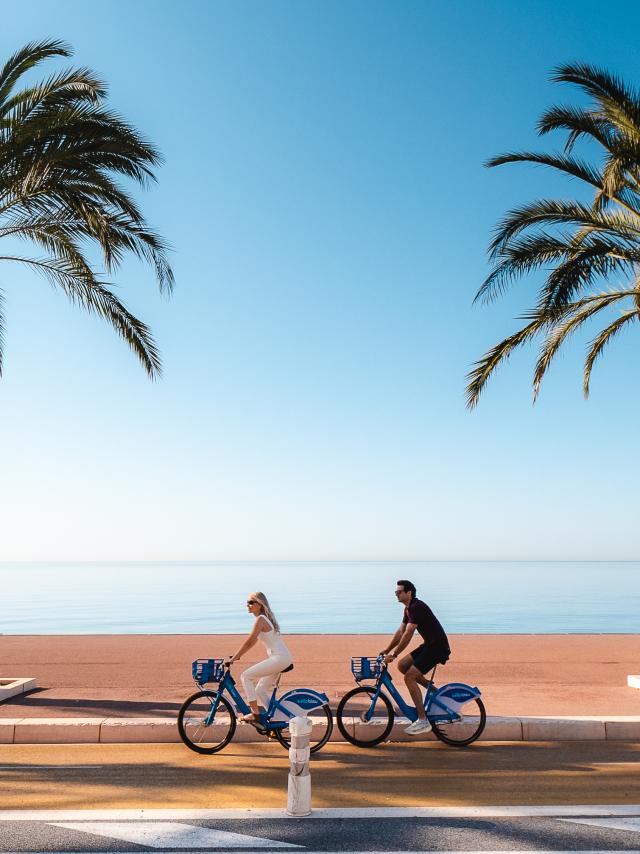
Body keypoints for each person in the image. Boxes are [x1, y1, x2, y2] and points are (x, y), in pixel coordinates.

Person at [380, 579, 451, 735]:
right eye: (395, 592)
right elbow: (400, 631)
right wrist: (387, 650)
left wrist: (395, 654)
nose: (396, 594)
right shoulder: (408, 609)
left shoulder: (417, 607)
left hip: (437, 648)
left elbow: (408, 633)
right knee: (402, 666)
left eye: (399, 592)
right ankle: (434, 691)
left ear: (409, 592)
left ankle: (422, 720)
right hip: (429, 645)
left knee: (410, 677)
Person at [224, 592, 293, 724]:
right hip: (281, 658)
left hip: (279, 658)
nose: (247, 605)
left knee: (245, 676)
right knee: (260, 690)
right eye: (247, 602)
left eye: (251, 602)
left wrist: (234, 658)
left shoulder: (260, 619)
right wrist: (238, 656)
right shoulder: (262, 619)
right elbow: (253, 643)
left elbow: (249, 641)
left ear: (260, 604)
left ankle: (255, 714)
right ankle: (275, 719)